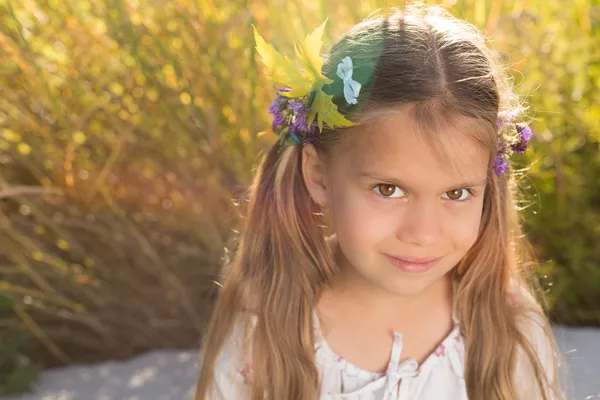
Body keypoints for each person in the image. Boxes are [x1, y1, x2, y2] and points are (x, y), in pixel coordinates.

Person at [194, 3, 565, 399]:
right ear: (318, 174)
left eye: (456, 193)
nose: (423, 234)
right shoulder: (264, 330)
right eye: (389, 189)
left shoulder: (507, 326)